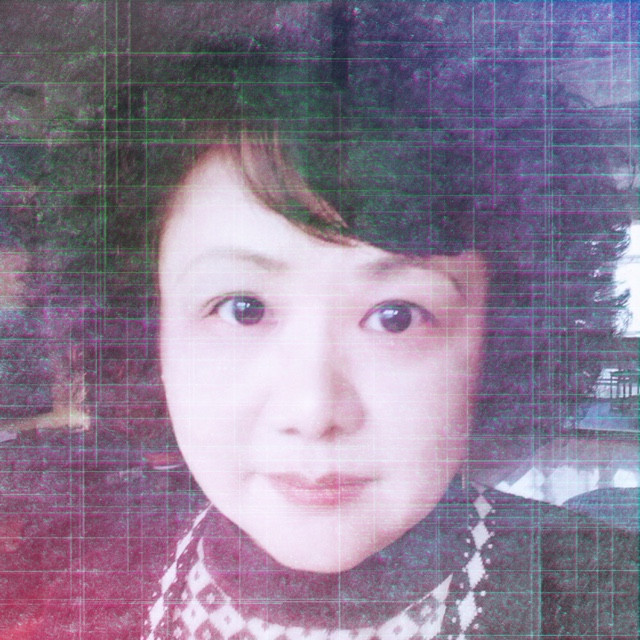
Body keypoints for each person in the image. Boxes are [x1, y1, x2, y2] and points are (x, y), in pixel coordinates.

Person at [1, 2, 637, 639]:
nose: (313, 409)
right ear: (148, 332)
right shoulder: (52, 593)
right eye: (243, 309)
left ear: (496, 345)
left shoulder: (613, 598)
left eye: (395, 318)